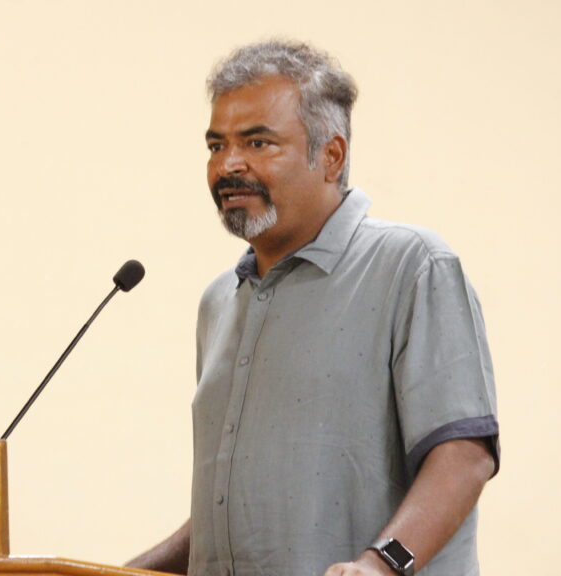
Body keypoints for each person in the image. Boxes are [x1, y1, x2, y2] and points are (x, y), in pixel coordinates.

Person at [127, 40, 499, 576]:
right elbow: (233, 516)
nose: (229, 165)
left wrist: (382, 565)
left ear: (331, 156)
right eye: (216, 146)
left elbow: (465, 456)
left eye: (258, 142)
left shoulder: (413, 266)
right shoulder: (220, 303)